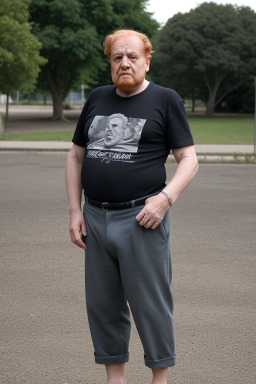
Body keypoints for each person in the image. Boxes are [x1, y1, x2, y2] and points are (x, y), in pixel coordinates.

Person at [65, 29, 198, 384]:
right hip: (95, 217)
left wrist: (165, 199)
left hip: (143, 218)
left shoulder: (165, 99)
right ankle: (116, 379)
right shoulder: (97, 98)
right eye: (117, 58)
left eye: (132, 57)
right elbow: (76, 156)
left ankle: (159, 379)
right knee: (104, 305)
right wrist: (75, 211)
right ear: (110, 62)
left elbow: (188, 158)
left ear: (147, 59)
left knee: (150, 306)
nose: (125, 63)